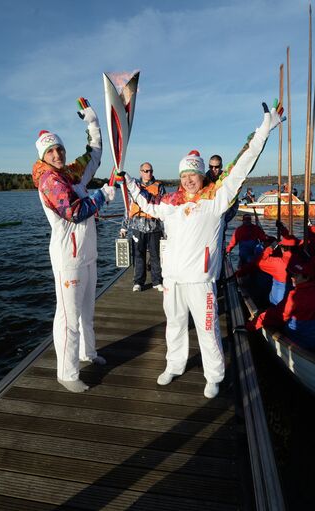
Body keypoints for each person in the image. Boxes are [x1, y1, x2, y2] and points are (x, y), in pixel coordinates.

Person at [121, 102, 282, 399]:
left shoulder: (216, 199)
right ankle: (174, 364)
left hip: (201, 280)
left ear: (201, 175)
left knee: (207, 331)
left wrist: (262, 132)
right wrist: (128, 182)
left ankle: (214, 375)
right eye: (184, 175)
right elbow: (146, 204)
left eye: (192, 174)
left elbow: (241, 165)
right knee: (175, 325)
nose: (188, 179)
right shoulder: (170, 204)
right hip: (173, 280)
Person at [32, 98, 116, 393]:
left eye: (59, 149)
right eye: (51, 151)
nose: (57, 154)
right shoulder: (49, 181)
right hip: (68, 258)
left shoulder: (70, 173)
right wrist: (103, 195)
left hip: (88, 253)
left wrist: (92, 123)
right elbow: (75, 211)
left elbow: (95, 154)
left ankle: (88, 353)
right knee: (68, 318)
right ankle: (67, 374)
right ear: (43, 156)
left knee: (87, 311)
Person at [246, 263, 315, 350]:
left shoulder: (294, 296)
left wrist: (252, 325)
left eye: (296, 275)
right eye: (292, 274)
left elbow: (277, 315)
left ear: (307, 278)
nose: (292, 277)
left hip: (300, 340)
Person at [120, 162, 167, 292]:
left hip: (154, 227)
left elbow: (163, 208)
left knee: (155, 255)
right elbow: (128, 207)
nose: (148, 173)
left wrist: (165, 230)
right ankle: (138, 282)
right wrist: (124, 227)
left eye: (150, 171)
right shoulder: (133, 187)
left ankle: (157, 281)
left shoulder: (160, 186)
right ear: (141, 172)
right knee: (138, 254)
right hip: (137, 225)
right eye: (145, 171)